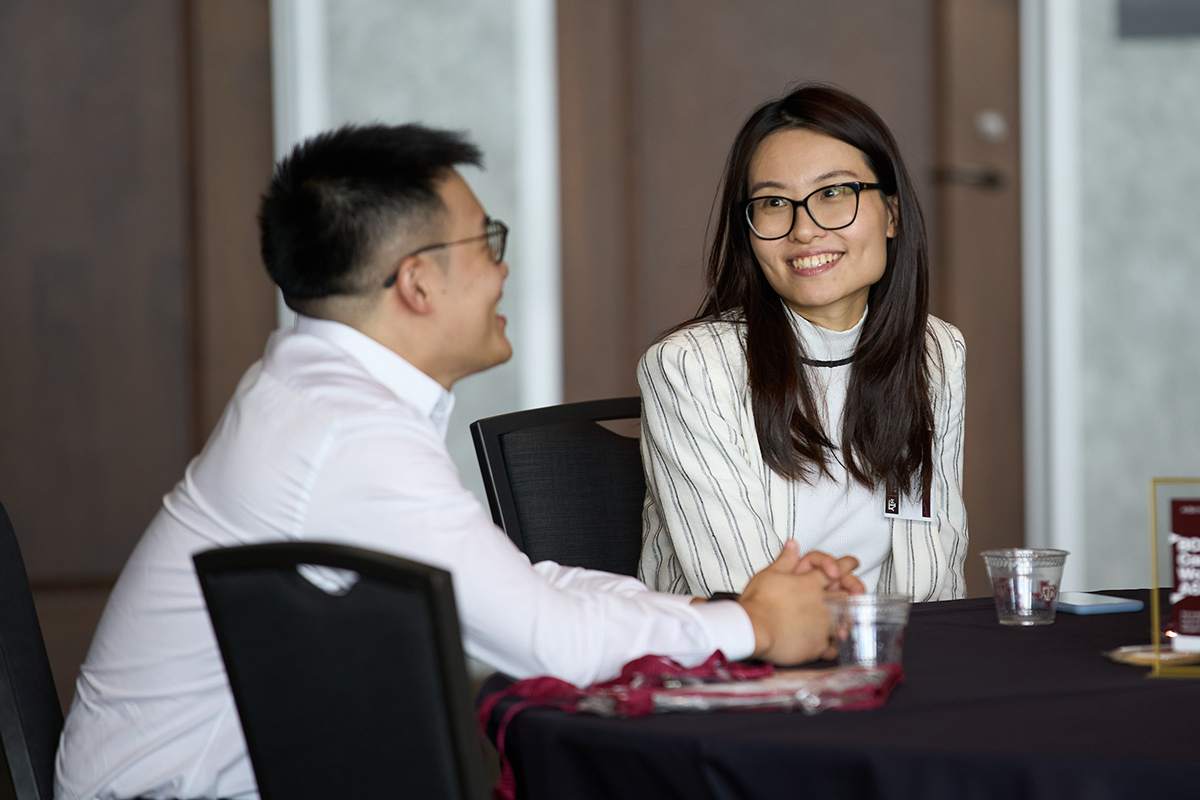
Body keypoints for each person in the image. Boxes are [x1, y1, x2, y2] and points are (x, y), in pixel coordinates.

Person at [54, 123, 864, 800]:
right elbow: (550, 641)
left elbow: (517, 586)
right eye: (486, 242)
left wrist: (712, 605)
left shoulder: (312, 394)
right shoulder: (348, 436)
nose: (502, 266)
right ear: (416, 282)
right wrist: (754, 624)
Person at [639, 84, 967, 601]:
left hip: (887, 650)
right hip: (738, 667)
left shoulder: (936, 351)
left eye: (834, 193)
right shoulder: (689, 366)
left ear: (892, 213)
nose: (805, 229)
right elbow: (740, 592)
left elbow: (933, 564)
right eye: (774, 202)